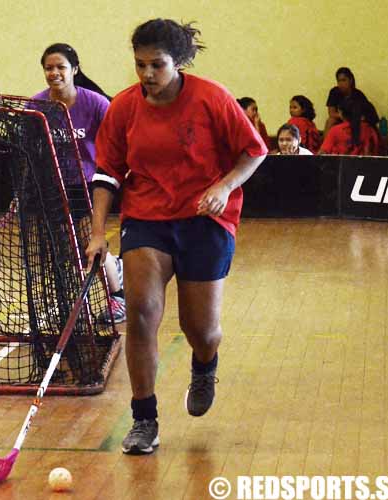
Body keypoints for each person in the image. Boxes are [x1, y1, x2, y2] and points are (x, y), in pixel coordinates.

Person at [86, 18, 267, 455]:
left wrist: (223, 186)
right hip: (147, 217)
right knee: (142, 312)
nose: (147, 75)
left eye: (158, 65)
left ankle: (205, 365)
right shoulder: (125, 108)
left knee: (200, 329)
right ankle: (144, 419)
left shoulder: (212, 98)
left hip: (205, 221)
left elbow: (254, 150)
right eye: (140, 64)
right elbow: (107, 173)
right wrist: (97, 233)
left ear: (179, 62)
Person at [32, 43, 125, 323]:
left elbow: (116, 141)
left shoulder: (95, 103)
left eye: (60, 67)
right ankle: (73, 305)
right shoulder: (36, 107)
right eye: (49, 68)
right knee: (63, 250)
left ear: (74, 69)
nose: (54, 73)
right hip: (53, 186)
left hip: (88, 185)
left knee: (89, 243)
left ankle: (117, 297)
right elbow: (30, 148)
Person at [324, 67, 378, 135]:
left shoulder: (358, 95)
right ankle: (325, 144)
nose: (341, 84)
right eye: (339, 81)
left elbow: (367, 116)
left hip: (355, 121)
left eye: (344, 80)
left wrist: (351, 118)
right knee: (330, 121)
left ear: (350, 80)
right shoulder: (334, 92)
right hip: (341, 119)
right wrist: (343, 116)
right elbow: (331, 113)